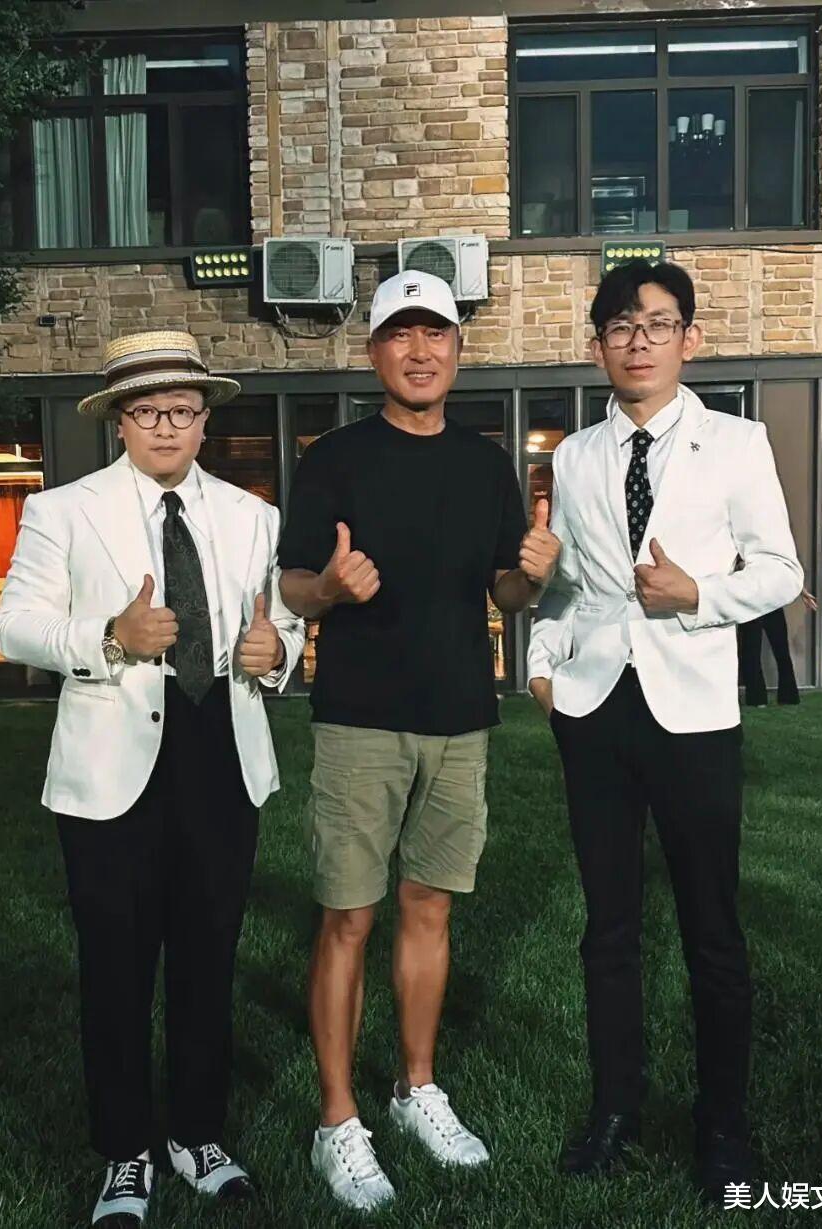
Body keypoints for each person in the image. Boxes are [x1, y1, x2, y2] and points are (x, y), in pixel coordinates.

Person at [0, 331, 303, 1228]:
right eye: (146, 410)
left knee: (209, 957)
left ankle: (197, 1134)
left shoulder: (252, 516)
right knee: (116, 967)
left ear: (206, 420)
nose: (165, 425)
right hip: (110, 769)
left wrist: (278, 650)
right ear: (118, 422)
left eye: (181, 409)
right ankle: (124, 1150)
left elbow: (278, 623)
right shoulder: (63, 510)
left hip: (220, 758)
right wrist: (107, 637)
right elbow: (16, 624)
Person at [277, 270, 560, 1212]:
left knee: (428, 907)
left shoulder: (483, 464)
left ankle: (415, 1086)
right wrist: (327, 591)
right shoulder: (334, 458)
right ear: (374, 353)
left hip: (459, 716)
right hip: (359, 718)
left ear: (457, 350)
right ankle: (336, 1118)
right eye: (399, 332)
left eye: (434, 331)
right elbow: (293, 584)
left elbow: (503, 591)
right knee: (348, 917)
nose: (419, 349)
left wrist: (530, 576)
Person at [527, 261, 803, 1202]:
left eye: (655, 323)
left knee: (710, 927)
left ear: (690, 338)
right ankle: (615, 1107)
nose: (637, 341)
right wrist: (542, 663)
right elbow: (567, 586)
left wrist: (697, 596)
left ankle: (722, 1124)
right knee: (607, 926)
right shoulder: (574, 456)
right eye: (619, 326)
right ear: (597, 345)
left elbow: (779, 570)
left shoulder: (736, 442)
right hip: (594, 706)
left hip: (693, 711)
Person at [738, 590, 817, 706]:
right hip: (751, 603)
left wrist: (802, 591)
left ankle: (785, 697)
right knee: (752, 654)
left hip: (769, 602)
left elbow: (787, 576)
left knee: (779, 652)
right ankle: (759, 699)